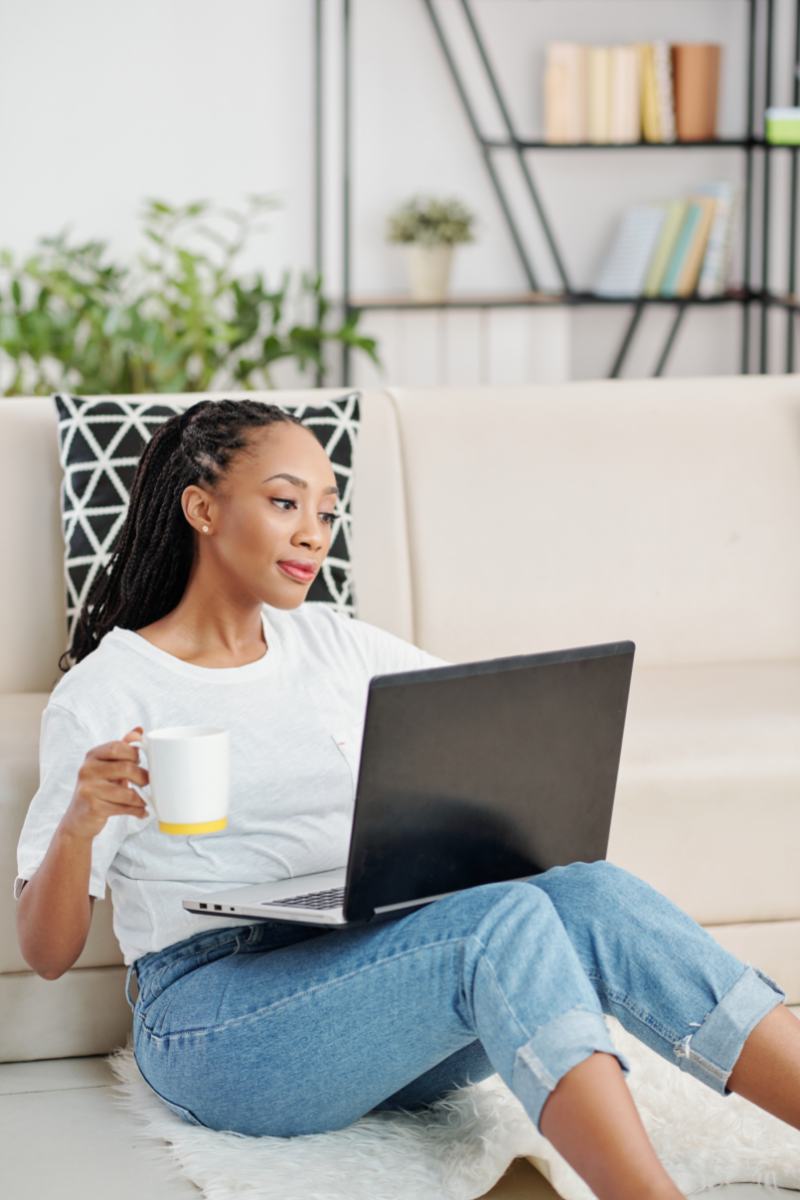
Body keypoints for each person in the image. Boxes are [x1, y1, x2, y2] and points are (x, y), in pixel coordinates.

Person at [15, 399, 800, 1200]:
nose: (314, 533)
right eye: (286, 503)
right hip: (214, 1020)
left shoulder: (336, 644)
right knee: (501, 927)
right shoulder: (108, 690)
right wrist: (80, 826)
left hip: (369, 977)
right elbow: (46, 955)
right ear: (202, 508)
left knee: (587, 895)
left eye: (326, 511)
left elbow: (482, 720)